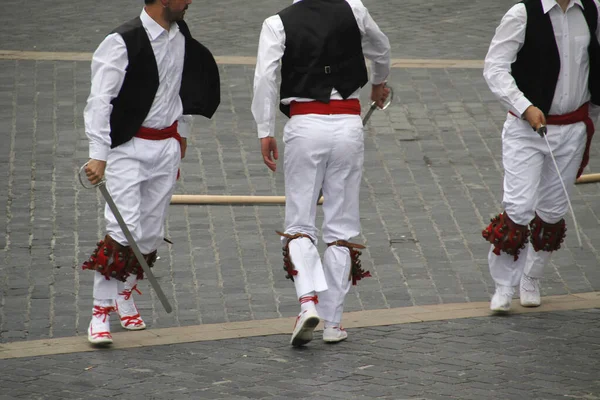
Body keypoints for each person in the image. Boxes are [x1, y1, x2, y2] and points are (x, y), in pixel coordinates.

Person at [251, 0, 391, 346]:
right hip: (347, 123)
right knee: (341, 225)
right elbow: (381, 46)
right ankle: (333, 322)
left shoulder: (277, 22)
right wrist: (379, 81)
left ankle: (307, 303)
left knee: (299, 222)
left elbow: (265, 78)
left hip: (304, 122)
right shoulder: (354, 8)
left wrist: (265, 130)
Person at [81, 0, 220, 345]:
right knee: (122, 227)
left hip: (165, 146)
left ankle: (125, 294)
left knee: (150, 232)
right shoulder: (121, 41)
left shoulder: (180, 35)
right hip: (128, 147)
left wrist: (181, 134)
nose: (189, 2)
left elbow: (183, 87)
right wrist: (98, 155)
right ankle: (100, 312)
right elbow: (100, 101)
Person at [482, 0, 600, 312]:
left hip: (573, 126)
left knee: (553, 210)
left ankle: (531, 277)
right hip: (526, 128)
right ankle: (504, 284)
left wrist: (592, 117)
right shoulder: (523, 13)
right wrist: (525, 106)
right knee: (519, 208)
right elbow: (494, 67)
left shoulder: (593, 10)